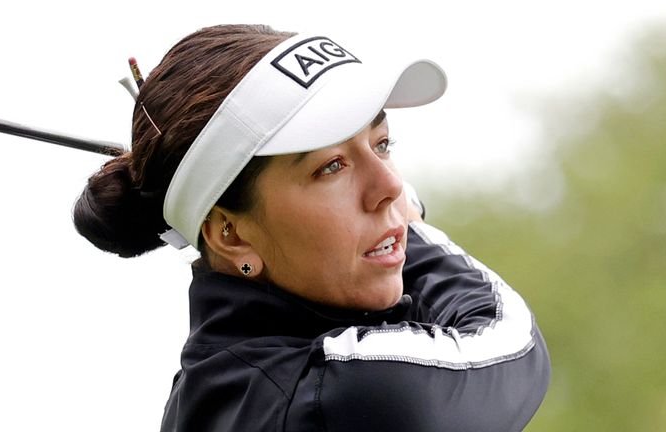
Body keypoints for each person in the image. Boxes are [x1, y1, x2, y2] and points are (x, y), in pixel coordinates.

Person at [73, 24, 550, 432]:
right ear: (231, 234)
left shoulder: (231, 381)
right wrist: (414, 230)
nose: (388, 184)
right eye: (332, 166)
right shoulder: (336, 394)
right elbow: (511, 341)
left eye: (382, 143)